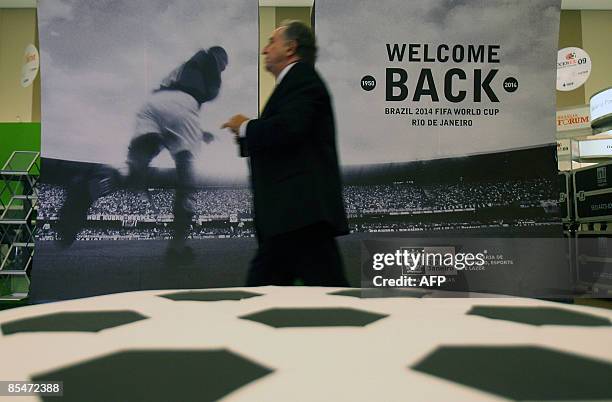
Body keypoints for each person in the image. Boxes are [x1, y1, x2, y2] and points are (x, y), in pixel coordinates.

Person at [58, 46, 228, 263]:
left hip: (152, 106)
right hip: (184, 108)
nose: (224, 67)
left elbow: (175, 105)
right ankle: (176, 250)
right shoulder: (209, 62)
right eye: (224, 62)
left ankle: (92, 185)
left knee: (133, 168)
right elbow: (191, 102)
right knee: (187, 184)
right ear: (220, 58)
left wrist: (197, 131)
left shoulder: (184, 69)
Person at [222, 21, 349, 286]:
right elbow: (289, 138)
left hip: (297, 218)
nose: (264, 50)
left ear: (290, 47)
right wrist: (246, 135)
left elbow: (289, 129)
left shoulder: (301, 79)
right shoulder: (295, 82)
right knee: (328, 295)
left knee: (265, 297)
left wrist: (245, 126)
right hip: (293, 220)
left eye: (271, 42)